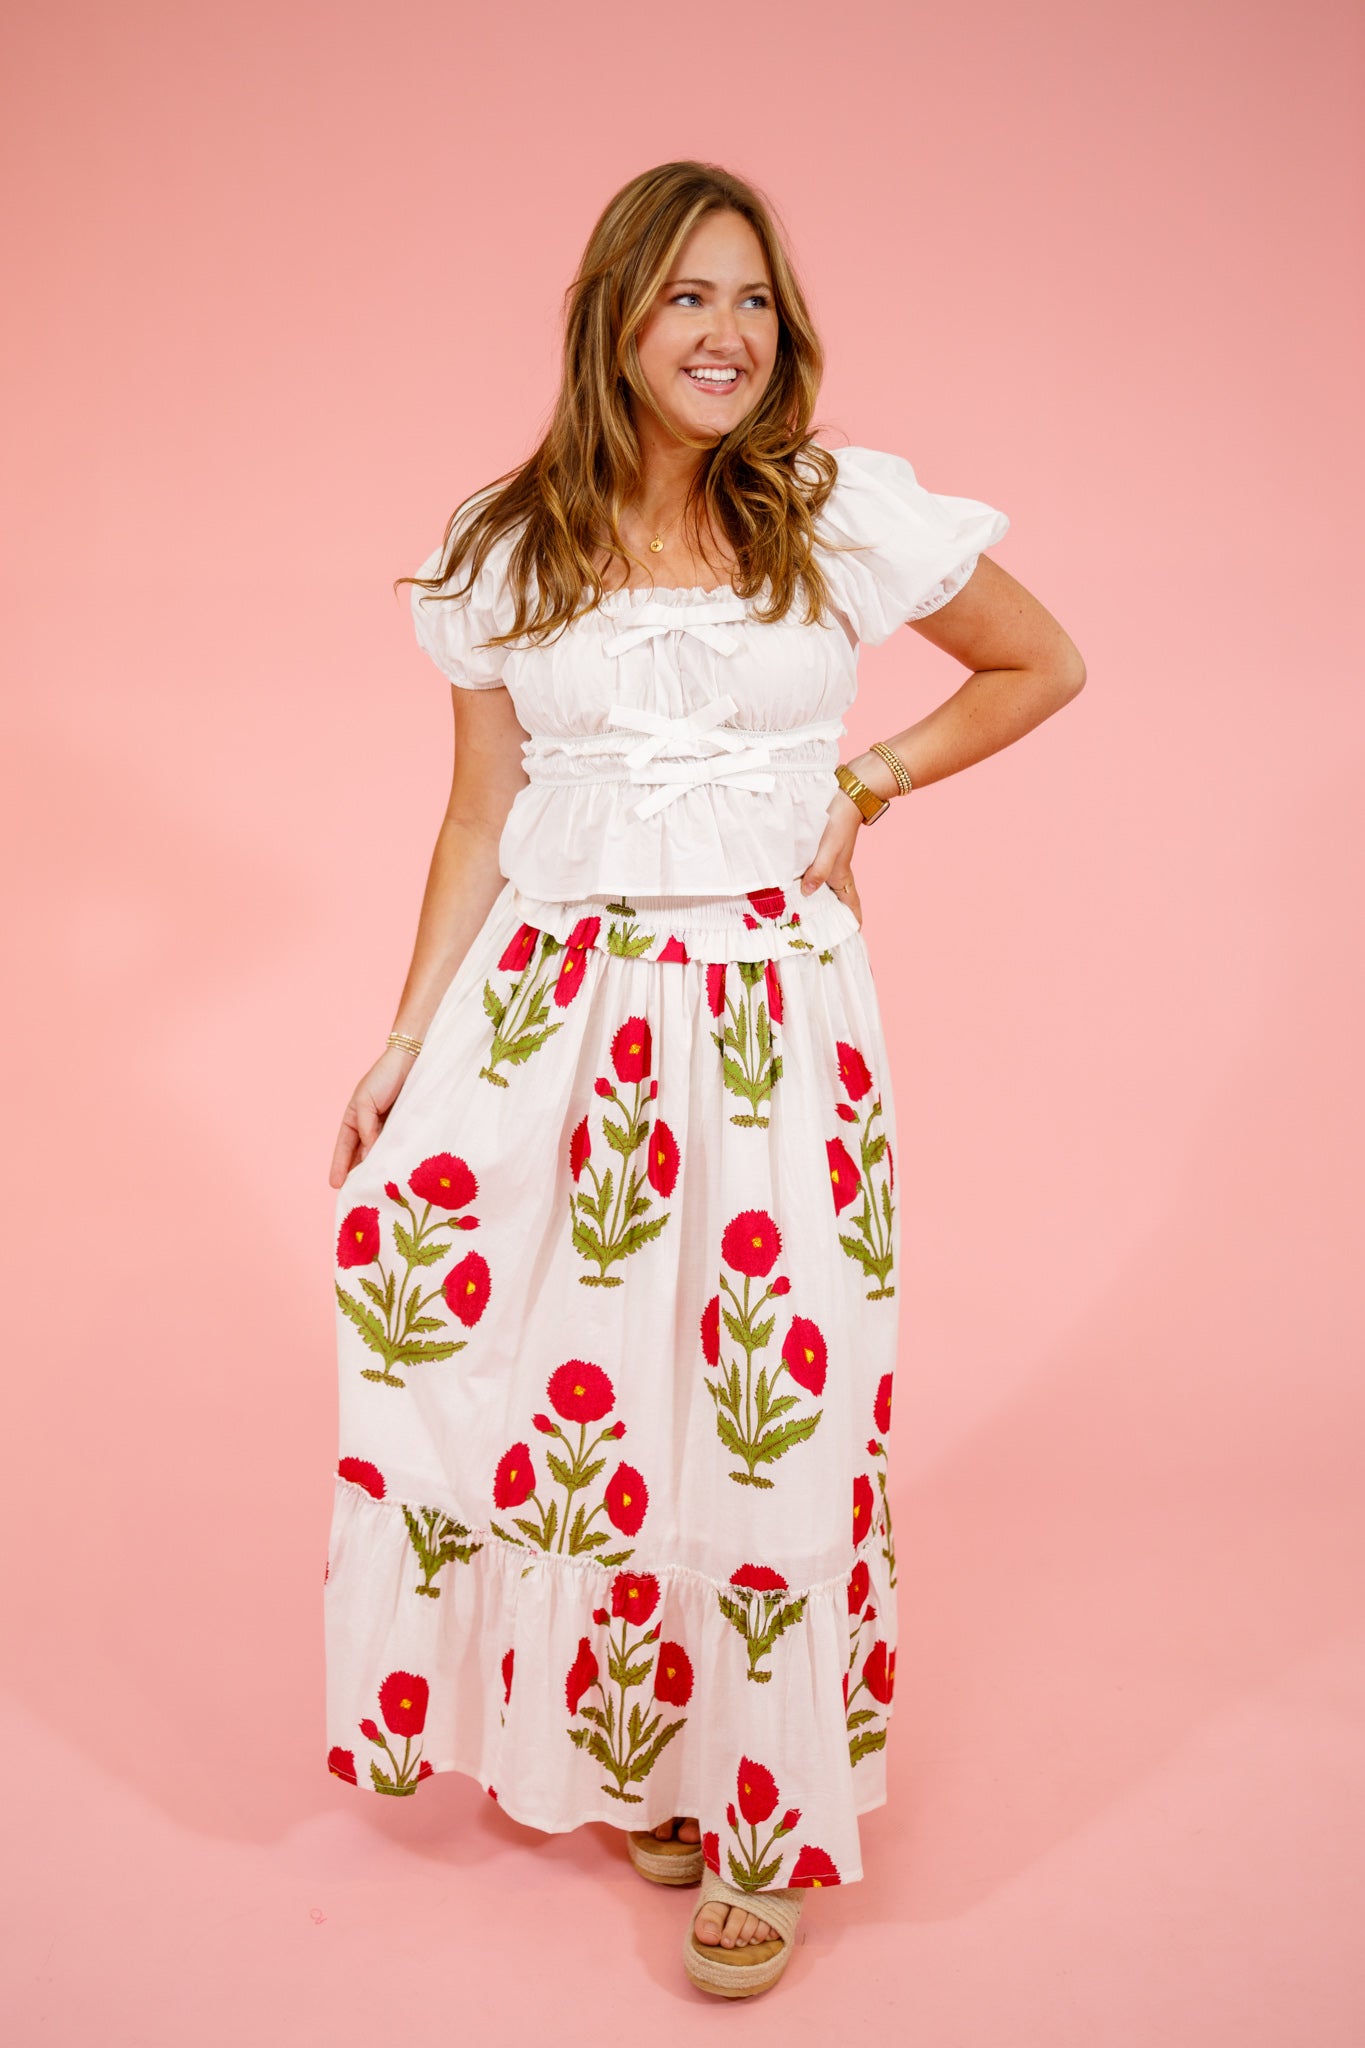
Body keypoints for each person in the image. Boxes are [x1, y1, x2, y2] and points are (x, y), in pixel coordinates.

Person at [323, 159, 1084, 2000]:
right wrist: (407, 1038)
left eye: (751, 299)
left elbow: (1037, 662)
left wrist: (868, 782)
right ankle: (651, 1747)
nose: (725, 333)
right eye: (686, 296)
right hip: (553, 1016)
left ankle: (763, 1820)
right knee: (569, 1379)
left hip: (767, 1021)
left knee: (760, 1396)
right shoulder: (507, 541)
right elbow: (480, 814)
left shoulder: (832, 509)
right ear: (613, 319)